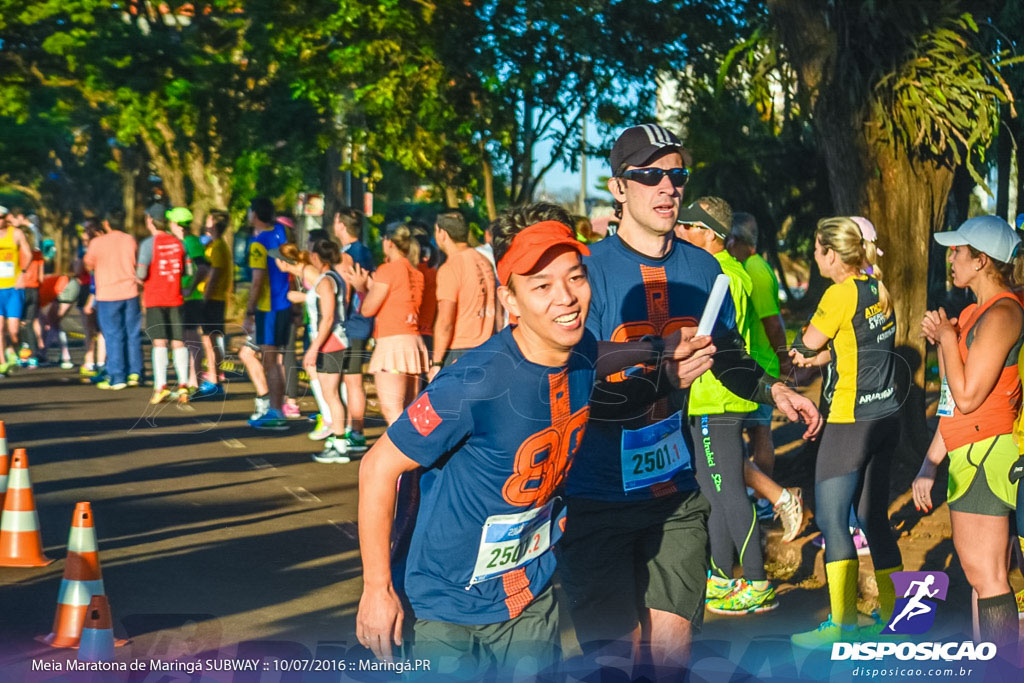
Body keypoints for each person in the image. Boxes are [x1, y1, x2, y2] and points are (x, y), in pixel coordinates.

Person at [560, 123, 821, 675]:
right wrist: (661, 380)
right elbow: (576, 388)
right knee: (615, 662)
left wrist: (774, 390)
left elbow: (725, 352)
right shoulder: (588, 271)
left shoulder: (703, 268)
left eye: (675, 175)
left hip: (674, 492)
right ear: (618, 187)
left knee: (670, 656)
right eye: (649, 175)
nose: (666, 187)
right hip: (597, 493)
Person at [788, 216, 904, 649]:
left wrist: (798, 354)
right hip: (886, 416)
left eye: (817, 249)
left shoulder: (838, 294)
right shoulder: (877, 287)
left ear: (830, 253)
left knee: (832, 519)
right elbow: (851, 345)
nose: (814, 255)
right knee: (874, 518)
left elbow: (808, 344)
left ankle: (842, 626)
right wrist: (820, 358)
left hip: (849, 421)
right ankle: (895, 619)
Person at [913, 215, 1023, 660]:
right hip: (966, 451)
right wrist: (929, 463)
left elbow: (969, 395)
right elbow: (949, 402)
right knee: (980, 578)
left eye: (958, 251)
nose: (951, 258)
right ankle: (989, 666)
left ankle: (1002, 670)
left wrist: (943, 339)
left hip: (986, 451)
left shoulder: (1004, 312)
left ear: (981, 260)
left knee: (990, 576)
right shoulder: (972, 313)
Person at [675, 196, 778, 615]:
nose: (679, 232)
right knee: (714, 493)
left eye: (686, 226)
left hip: (720, 398)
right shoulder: (717, 270)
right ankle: (719, 577)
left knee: (731, 493)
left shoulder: (725, 274)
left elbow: (721, 343)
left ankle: (756, 581)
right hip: (707, 398)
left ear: (708, 234)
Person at [727, 213, 794, 495]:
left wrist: (783, 361)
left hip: (761, 364)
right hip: (747, 364)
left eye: (731, 240)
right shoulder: (745, 267)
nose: (727, 245)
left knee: (760, 433)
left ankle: (765, 498)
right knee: (747, 433)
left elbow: (773, 322)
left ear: (742, 241)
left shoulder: (755, 268)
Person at [348, 223, 427, 426]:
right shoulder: (416, 272)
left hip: (392, 344)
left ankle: (402, 456)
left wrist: (361, 289)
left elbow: (367, 309)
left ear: (389, 243)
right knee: (410, 412)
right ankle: (415, 455)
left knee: (392, 411)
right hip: (413, 342)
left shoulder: (388, 270)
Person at [428, 211, 497, 380]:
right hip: (488, 348)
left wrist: (436, 363)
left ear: (442, 233)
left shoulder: (451, 267)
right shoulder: (484, 261)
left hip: (460, 350)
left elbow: (445, 321)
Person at [243, 198, 291, 430]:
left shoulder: (257, 243)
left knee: (269, 361)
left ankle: (276, 411)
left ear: (254, 215)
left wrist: (249, 310)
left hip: (268, 307)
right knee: (276, 360)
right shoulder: (281, 232)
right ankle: (277, 407)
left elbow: (257, 280)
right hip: (285, 304)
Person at [82, 211, 141, 391]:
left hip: (107, 294)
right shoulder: (130, 240)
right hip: (130, 292)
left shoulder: (97, 243)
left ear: (106, 223)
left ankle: (117, 376)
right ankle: (135, 372)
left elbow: (87, 265)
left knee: (113, 335)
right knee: (132, 333)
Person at [332, 207, 374, 452]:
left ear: (341, 225)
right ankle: (353, 429)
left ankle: (357, 431)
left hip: (353, 324)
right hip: (360, 322)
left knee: (353, 380)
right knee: (352, 379)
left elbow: (346, 293)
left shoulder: (348, 255)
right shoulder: (365, 251)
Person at [138, 204, 190, 401]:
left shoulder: (148, 244)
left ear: (150, 220)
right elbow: (187, 272)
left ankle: (161, 386)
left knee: (159, 342)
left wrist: (138, 279)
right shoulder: (179, 243)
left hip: (155, 299)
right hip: (175, 297)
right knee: (178, 341)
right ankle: (183, 385)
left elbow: (141, 273)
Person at [170, 207, 207, 400]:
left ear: (176, 223)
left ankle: (194, 382)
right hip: (179, 297)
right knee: (184, 339)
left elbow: (203, 267)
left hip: (190, 299)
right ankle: (189, 381)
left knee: (191, 339)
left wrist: (191, 288)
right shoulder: (180, 241)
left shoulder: (190, 242)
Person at [193, 211, 231, 399]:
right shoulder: (214, 245)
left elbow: (214, 275)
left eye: (209, 220)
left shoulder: (218, 247)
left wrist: (205, 299)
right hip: (214, 298)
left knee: (210, 340)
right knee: (210, 339)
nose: (206, 223)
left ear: (214, 225)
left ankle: (215, 380)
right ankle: (215, 378)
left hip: (213, 299)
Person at [0, 205, 32, 374]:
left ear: (6, 218)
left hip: (13, 288)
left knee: (13, 330)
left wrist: (23, 273)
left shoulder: (16, 234)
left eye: (0, 217)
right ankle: (2, 363)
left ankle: (13, 350)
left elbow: (29, 254)